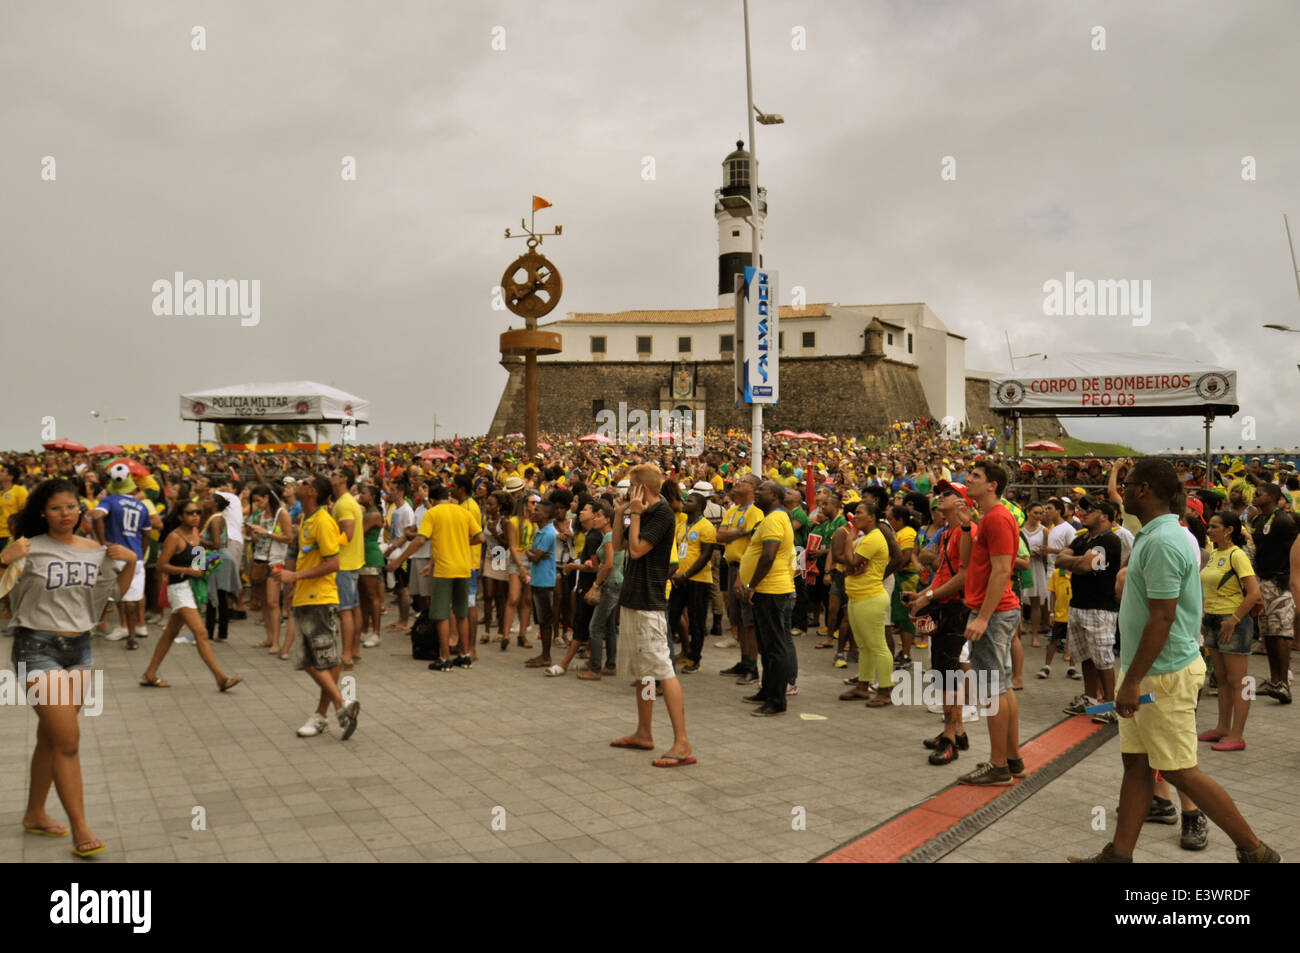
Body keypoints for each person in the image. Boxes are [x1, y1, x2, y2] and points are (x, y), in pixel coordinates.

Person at [1070, 458, 1278, 863]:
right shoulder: (1161, 534)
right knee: (1136, 766)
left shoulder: (1164, 541)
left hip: (1160, 676)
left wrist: (1132, 681)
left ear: (1144, 489)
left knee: (1180, 770)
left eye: (1127, 484)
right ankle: (1118, 856)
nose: (1122, 491)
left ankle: (1255, 851)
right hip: (1149, 671)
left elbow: (1163, 617)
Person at [4, 478, 139, 858]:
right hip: (36, 648)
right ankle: (81, 829)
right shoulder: (28, 549)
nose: (66, 514)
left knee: (51, 738)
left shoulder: (96, 551)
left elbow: (114, 596)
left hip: (80, 650)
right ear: (42, 513)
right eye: (56, 508)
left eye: (71, 506)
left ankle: (34, 813)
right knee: (68, 740)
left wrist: (128, 563)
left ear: (81, 509)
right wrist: (4, 558)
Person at [608, 464, 694, 767]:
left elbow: (635, 550)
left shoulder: (660, 514)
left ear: (641, 488)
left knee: (662, 669)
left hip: (649, 602)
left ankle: (682, 742)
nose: (627, 489)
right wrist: (621, 514)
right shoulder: (641, 512)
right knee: (643, 670)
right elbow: (617, 545)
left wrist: (636, 514)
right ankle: (644, 732)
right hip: (634, 598)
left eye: (631, 484)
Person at [273, 475, 360, 741]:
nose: (296, 485)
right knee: (318, 660)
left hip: (320, 599)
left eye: (302, 482)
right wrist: (293, 588)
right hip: (306, 597)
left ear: (311, 492)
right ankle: (329, 711)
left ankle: (336, 706)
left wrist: (293, 578)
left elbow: (334, 563)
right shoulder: (309, 520)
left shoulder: (322, 521)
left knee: (313, 660)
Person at [957, 461, 1024, 786]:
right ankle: (1011, 760)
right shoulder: (988, 518)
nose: (968, 480)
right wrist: (968, 527)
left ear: (992, 485)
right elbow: (970, 563)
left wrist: (982, 617)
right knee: (1003, 687)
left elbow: (1001, 571)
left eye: (976, 477)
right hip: (998, 610)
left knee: (993, 690)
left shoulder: (997, 518)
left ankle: (998, 765)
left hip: (994, 612)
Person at [139, 500, 242, 692]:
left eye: (197, 512)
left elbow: (195, 563)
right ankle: (220, 677)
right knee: (201, 633)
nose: (195, 515)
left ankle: (149, 673)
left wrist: (206, 566)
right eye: (189, 513)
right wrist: (188, 570)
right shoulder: (174, 538)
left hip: (191, 588)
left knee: (169, 634)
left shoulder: (195, 535)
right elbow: (162, 566)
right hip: (178, 588)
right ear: (180, 516)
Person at [387, 482, 483, 671]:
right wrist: (462, 543)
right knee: (462, 614)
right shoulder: (464, 512)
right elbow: (480, 538)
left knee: (441, 615)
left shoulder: (432, 514)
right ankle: (464, 656)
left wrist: (399, 560)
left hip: (444, 570)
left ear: (432, 500)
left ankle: (445, 658)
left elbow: (420, 540)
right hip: (464, 568)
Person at [1054, 497, 1122, 723]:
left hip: (1100, 607)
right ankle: (1091, 699)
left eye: (1090, 510)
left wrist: (1074, 562)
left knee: (1103, 657)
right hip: (1079, 604)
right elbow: (1059, 559)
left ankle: (1109, 704)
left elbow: (1083, 566)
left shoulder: (1110, 540)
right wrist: (1078, 561)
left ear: (1104, 515)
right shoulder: (1083, 539)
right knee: (1085, 655)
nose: (1083, 513)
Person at [1197, 511, 1260, 750]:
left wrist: (1233, 619)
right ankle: (1222, 727)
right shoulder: (1214, 554)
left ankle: (1237, 734)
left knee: (1241, 681)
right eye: (1209, 526)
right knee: (1221, 679)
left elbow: (1254, 593)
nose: (1209, 530)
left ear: (1229, 530)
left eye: (1214, 527)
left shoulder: (1237, 555)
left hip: (1233, 621)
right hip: (1214, 620)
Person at [737, 481, 798, 715]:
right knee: (766, 645)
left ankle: (776, 700)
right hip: (767, 589)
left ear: (774, 495)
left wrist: (753, 584)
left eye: (761, 490)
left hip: (771, 590)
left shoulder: (774, 519)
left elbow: (768, 556)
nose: (756, 492)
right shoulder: (773, 517)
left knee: (775, 647)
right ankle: (767, 690)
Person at [89, 464, 158, 650]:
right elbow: (146, 534)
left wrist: (103, 540)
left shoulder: (110, 501)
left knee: (119, 595)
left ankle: (122, 628)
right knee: (133, 598)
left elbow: (96, 516)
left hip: (115, 555)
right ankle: (132, 636)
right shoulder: (141, 506)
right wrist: (141, 556)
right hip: (135, 556)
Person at [838, 502, 893, 707]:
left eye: (859, 513)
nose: (855, 516)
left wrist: (849, 540)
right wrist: (852, 564)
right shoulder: (869, 538)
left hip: (869, 597)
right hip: (858, 596)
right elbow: (853, 567)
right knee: (864, 645)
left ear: (871, 517)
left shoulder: (874, 538)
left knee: (877, 646)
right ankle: (863, 685)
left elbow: (851, 562)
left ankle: (885, 690)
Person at [1249, 483, 1296, 702]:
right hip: (1262, 581)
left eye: (1261, 493)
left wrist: (1289, 580)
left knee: (1281, 632)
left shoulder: (1284, 521)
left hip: (1280, 582)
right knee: (1267, 632)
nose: (1256, 495)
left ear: (1274, 497)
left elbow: (1293, 553)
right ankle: (1274, 679)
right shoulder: (1258, 520)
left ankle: (1284, 684)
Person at [671, 491, 715, 673]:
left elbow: (705, 555)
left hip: (698, 580)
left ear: (699, 506)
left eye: (689, 501)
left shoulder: (706, 527)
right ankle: (676, 653)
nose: (684, 502)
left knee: (697, 621)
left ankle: (694, 659)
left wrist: (687, 574)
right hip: (679, 579)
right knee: (671, 615)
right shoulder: (682, 525)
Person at [329, 469, 365, 668]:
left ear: (344, 479)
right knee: (353, 608)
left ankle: (346, 655)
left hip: (344, 563)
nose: (331, 476)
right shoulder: (346, 502)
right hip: (352, 561)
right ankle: (355, 651)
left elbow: (347, 534)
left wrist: (324, 542)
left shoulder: (344, 503)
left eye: (335, 473)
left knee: (345, 610)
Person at [356, 484, 386, 649]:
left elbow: (358, 533)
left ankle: (376, 632)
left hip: (370, 556)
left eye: (364, 493)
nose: (360, 496)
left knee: (372, 595)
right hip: (362, 556)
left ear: (372, 497)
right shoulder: (366, 512)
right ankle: (365, 628)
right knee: (363, 596)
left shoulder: (373, 515)